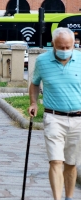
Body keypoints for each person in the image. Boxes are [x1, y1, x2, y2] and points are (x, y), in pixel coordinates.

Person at [28, 27, 81, 200]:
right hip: (53, 117)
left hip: (78, 118)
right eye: (61, 47)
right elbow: (35, 84)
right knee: (56, 161)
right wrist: (34, 102)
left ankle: (69, 197)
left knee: (71, 164)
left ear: (74, 44)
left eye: (68, 47)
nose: (64, 51)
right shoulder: (42, 61)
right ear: (53, 45)